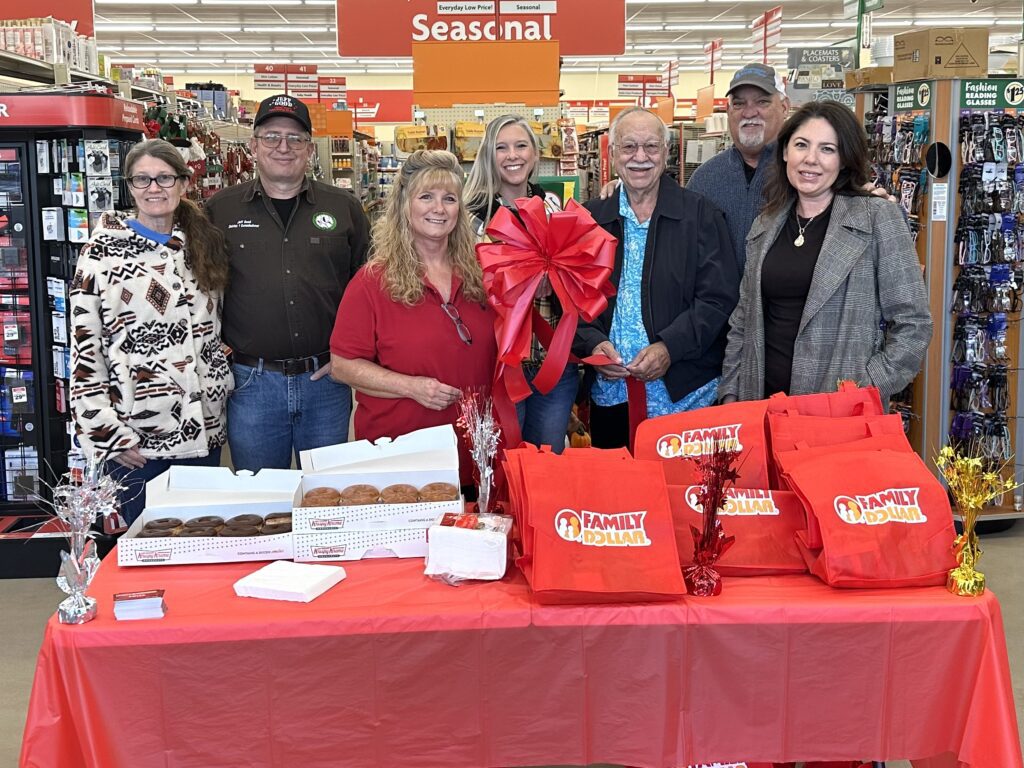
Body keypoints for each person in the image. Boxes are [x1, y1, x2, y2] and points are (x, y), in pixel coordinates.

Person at [719, 100, 932, 406]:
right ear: (784, 152)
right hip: (761, 406)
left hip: (841, 413)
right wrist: (732, 392)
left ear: (844, 159)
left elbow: (914, 323)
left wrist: (866, 387)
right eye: (801, 145)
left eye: (827, 149)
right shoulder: (766, 224)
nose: (811, 160)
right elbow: (743, 319)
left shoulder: (876, 218)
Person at [70, 139, 231, 524]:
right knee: (148, 548)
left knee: (200, 540)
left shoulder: (202, 243)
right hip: (138, 437)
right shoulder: (102, 252)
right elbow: (84, 346)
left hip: (202, 429)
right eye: (142, 179)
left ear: (183, 183)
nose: (154, 188)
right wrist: (107, 432)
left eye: (164, 178)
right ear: (129, 186)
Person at [206, 94, 369, 471]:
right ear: (253, 145)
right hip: (251, 384)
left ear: (310, 149)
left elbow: (367, 288)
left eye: (295, 138)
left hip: (327, 382)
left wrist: (352, 358)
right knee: (262, 502)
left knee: (326, 497)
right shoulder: (220, 210)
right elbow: (200, 290)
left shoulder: (343, 207)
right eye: (272, 136)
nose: (284, 147)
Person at [573, 107, 739, 449]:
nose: (640, 157)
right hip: (613, 394)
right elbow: (572, 299)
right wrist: (592, 344)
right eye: (629, 146)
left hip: (685, 393)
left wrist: (669, 347)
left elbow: (718, 299)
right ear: (613, 153)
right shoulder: (589, 218)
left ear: (666, 153)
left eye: (651, 147)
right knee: (619, 495)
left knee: (684, 494)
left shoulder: (701, 215)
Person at [330, 150, 497, 485]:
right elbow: (342, 365)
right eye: (426, 197)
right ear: (405, 205)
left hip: (475, 451)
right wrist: (411, 387)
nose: (439, 208)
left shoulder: (483, 273)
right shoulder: (373, 281)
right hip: (402, 456)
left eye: (449, 198)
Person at [464, 114, 577, 453]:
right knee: (502, 468)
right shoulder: (472, 216)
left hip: (552, 364)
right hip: (498, 368)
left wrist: (558, 278)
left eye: (520, 146)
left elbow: (579, 271)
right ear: (488, 156)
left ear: (534, 154)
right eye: (501, 147)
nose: (512, 155)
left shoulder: (555, 206)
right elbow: (466, 285)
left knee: (546, 468)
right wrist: (520, 286)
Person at [687, 62, 790, 269]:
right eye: (739, 104)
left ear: (784, 107)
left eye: (762, 102)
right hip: (718, 301)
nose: (749, 113)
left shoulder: (803, 174)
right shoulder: (704, 179)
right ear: (728, 111)